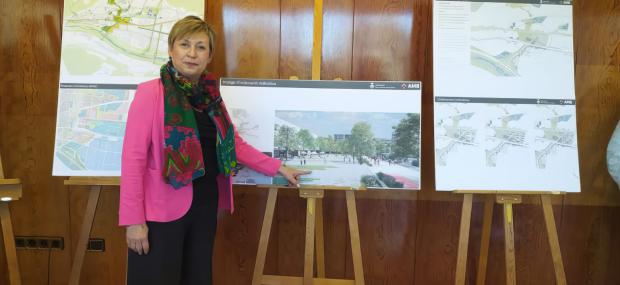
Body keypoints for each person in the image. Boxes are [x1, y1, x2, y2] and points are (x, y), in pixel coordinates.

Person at [119, 15, 310, 285]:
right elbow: (133, 159)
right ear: (171, 49)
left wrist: (278, 167)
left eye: (201, 47)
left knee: (196, 278)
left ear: (209, 56)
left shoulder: (211, 98)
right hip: (161, 210)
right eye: (185, 45)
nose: (192, 53)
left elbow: (233, 144)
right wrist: (133, 221)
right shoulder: (151, 93)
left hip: (204, 205)